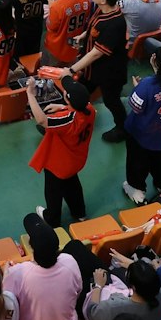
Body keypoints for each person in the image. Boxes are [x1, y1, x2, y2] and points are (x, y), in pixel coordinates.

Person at [120, 45, 161, 204]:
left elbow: (136, 107)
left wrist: (138, 88)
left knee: (137, 162)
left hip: (141, 133)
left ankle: (136, 188)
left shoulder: (147, 85)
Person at [28, 76, 94, 227]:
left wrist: (30, 94)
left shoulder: (67, 119)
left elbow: (42, 121)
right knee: (73, 185)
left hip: (59, 163)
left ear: (67, 98)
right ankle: (80, 213)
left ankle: (52, 218)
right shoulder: (90, 109)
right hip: (76, 159)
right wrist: (63, 107)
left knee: (53, 192)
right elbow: (78, 109)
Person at [5, 214, 81, 320]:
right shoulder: (69, 261)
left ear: (31, 247)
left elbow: (6, 307)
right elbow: (77, 292)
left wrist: (6, 275)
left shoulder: (18, 273)